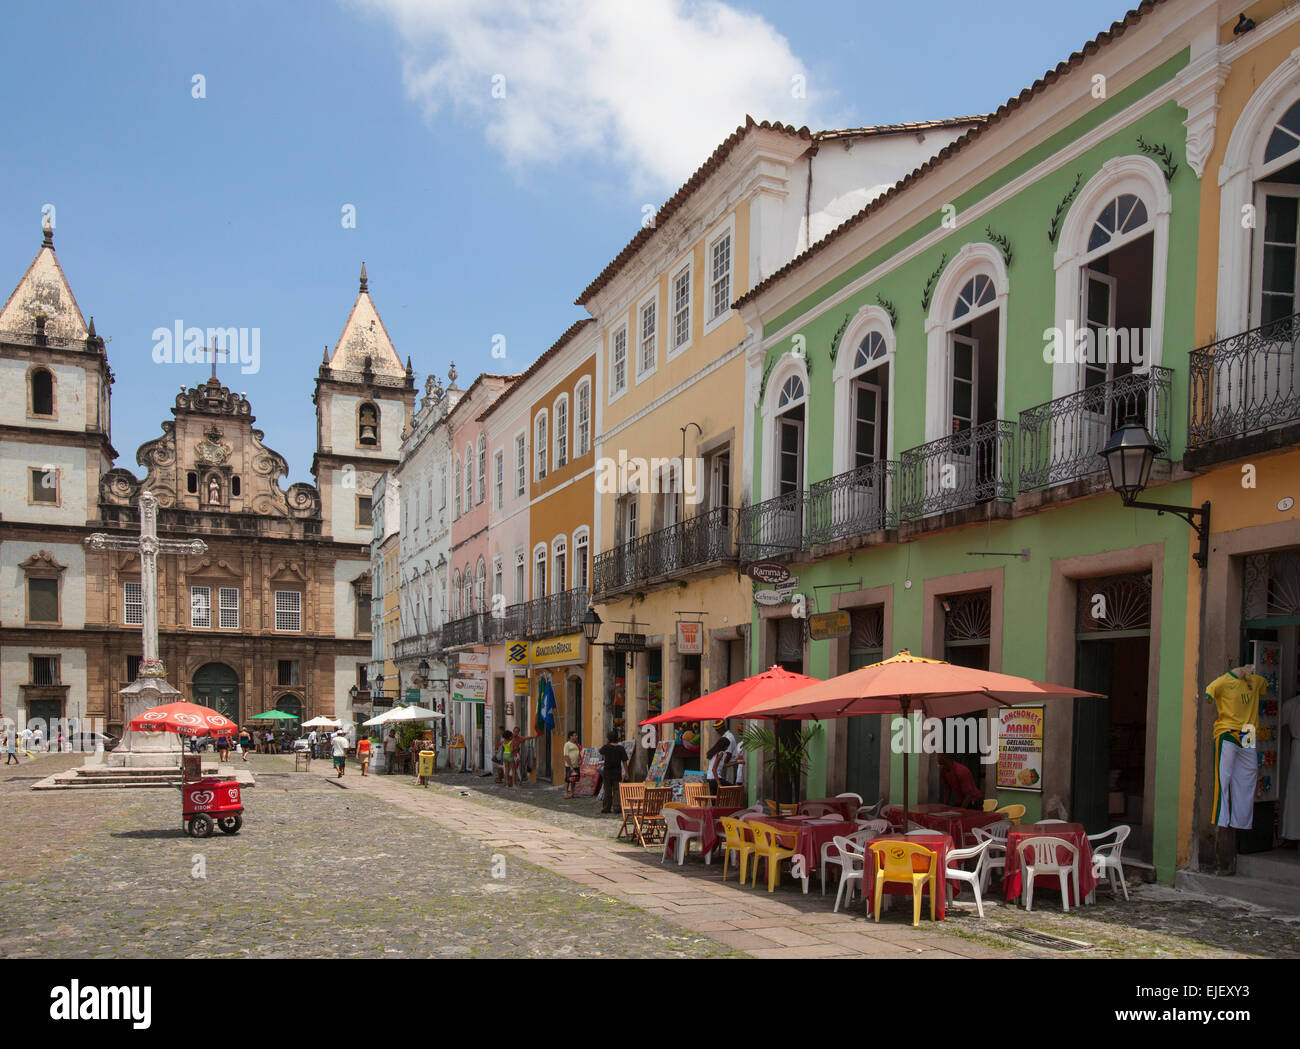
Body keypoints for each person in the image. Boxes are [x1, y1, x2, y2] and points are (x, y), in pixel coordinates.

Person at [1205, 663, 1269, 830]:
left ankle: (1241, 820)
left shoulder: (1255, 681)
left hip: (1248, 731)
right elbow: (1208, 693)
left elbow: (1266, 685)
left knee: (1248, 775)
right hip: (1228, 729)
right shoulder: (1222, 682)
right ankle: (1221, 818)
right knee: (1223, 777)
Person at [1281, 691, 1300, 847]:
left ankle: (1292, 835)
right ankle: (1292, 835)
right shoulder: (1293, 704)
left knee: (1294, 792)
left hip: (1297, 747)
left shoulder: (1292, 704)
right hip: (1298, 746)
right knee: (1294, 792)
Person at [599, 732, 630, 814]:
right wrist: (627, 772)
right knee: (616, 791)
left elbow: (601, 752)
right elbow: (624, 761)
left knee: (607, 790)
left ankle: (606, 808)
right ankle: (616, 807)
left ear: (608, 739)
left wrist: (607, 743)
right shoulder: (621, 748)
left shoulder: (606, 747)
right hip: (617, 772)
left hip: (607, 772)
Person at [563, 730, 582, 799]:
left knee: (574, 779)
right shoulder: (567, 744)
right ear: (570, 737)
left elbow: (579, 754)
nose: (576, 736)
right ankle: (565, 793)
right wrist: (570, 765)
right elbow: (566, 755)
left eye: (576, 735)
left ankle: (573, 793)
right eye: (574, 735)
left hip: (576, 765)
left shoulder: (576, 744)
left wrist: (580, 760)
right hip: (569, 765)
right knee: (567, 779)